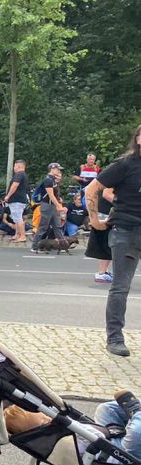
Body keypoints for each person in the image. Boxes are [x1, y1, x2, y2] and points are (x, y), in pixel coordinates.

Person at [86, 124, 141, 357]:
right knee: (120, 287)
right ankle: (115, 338)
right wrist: (95, 219)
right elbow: (92, 189)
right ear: (138, 139)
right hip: (126, 231)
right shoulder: (125, 165)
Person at [32, 163, 66, 249]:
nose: (59, 171)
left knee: (57, 226)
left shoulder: (53, 180)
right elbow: (51, 195)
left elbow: (55, 194)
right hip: (47, 206)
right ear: (52, 169)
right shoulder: (48, 180)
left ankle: (63, 246)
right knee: (43, 226)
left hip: (52, 206)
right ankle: (35, 246)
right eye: (57, 169)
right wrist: (59, 205)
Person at [87, 188, 115, 283]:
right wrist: (125, 204)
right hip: (106, 213)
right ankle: (102, 273)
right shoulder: (115, 174)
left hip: (108, 212)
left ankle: (103, 272)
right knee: (107, 242)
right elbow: (107, 194)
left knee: (109, 242)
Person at [2, 160, 30, 242]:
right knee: (16, 218)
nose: (14, 168)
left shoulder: (19, 174)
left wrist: (8, 196)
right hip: (20, 200)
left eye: (15, 166)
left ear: (19, 166)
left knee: (18, 218)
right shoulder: (23, 175)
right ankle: (17, 234)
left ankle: (22, 236)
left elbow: (15, 185)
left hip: (16, 200)